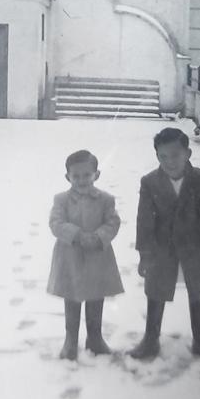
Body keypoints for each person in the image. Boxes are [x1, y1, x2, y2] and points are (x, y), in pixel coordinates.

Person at [130, 127, 200, 360]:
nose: (169, 162)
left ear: (188, 153)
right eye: (163, 157)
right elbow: (144, 221)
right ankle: (150, 339)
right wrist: (144, 254)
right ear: (157, 157)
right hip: (162, 249)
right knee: (155, 291)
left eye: (175, 155)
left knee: (197, 291)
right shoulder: (150, 182)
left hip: (194, 249)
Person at [47, 150, 124, 361]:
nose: (82, 180)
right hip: (69, 256)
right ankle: (70, 340)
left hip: (97, 257)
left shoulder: (106, 200)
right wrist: (77, 235)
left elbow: (113, 222)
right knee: (72, 297)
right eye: (76, 176)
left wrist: (99, 237)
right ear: (67, 177)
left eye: (87, 175)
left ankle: (95, 338)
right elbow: (55, 223)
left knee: (95, 296)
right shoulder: (61, 199)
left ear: (96, 175)